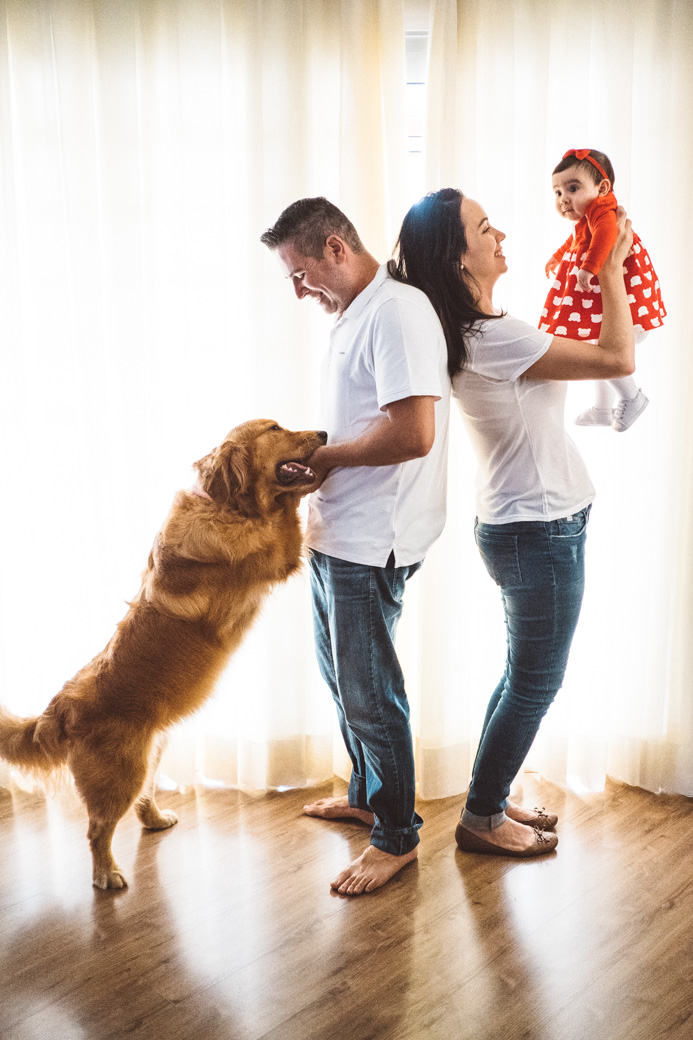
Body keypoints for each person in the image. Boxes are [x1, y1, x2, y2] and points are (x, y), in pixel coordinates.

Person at [389, 188, 634, 857]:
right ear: (455, 255)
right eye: (484, 227)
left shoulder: (487, 328)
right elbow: (617, 358)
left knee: (520, 676)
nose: (501, 236)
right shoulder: (491, 337)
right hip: (537, 532)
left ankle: (488, 801)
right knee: (532, 682)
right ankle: (481, 817)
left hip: (536, 527)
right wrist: (610, 270)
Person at [260, 197, 450, 893]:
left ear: (336, 248)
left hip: (372, 542)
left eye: (300, 273)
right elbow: (364, 420)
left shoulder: (396, 312)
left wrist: (329, 461)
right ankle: (368, 797)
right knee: (344, 685)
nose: (298, 289)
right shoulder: (352, 314)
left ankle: (396, 837)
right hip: (338, 533)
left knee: (371, 697)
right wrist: (314, 461)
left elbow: (412, 435)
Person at [541, 147, 665, 431]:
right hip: (602, 299)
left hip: (623, 299)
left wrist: (589, 267)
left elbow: (605, 237)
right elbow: (577, 241)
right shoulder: (587, 217)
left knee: (603, 350)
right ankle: (602, 407)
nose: (563, 199)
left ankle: (633, 397)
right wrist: (558, 256)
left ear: (602, 187)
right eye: (558, 193)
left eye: (573, 188)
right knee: (597, 346)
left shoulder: (604, 211)